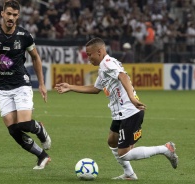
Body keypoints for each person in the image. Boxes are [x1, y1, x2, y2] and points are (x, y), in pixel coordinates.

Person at [55, 37, 178, 180]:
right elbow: (95, 89)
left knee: (124, 153)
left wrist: (132, 98)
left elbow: (123, 76)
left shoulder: (108, 63)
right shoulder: (103, 69)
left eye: (90, 54)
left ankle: (166, 149)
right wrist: (70, 87)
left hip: (130, 112)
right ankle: (129, 174)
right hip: (119, 114)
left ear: (100, 52)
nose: (88, 58)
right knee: (112, 141)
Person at [0, 0, 51, 170]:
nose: (11, 18)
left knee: (24, 124)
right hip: (2, 87)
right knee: (13, 130)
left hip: (21, 84)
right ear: (2, 13)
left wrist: (41, 84)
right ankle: (42, 156)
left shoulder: (24, 35)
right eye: (8, 14)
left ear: (18, 16)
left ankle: (40, 129)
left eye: (15, 15)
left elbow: (35, 58)